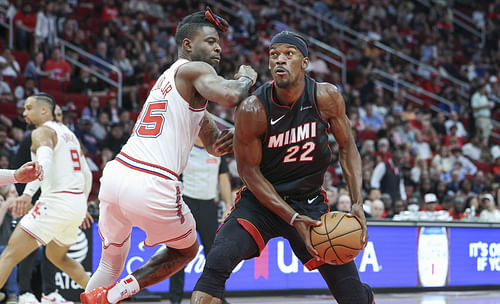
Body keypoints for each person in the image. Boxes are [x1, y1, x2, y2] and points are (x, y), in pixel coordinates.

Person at [80, 8, 257, 304]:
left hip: (116, 175)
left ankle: (98, 296)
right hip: (152, 181)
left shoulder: (171, 80)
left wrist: (222, 143)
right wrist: (246, 79)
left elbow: (211, 143)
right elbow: (230, 95)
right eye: (211, 41)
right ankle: (113, 295)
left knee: (110, 263)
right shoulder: (195, 69)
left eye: (219, 43)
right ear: (188, 45)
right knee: (185, 250)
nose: (218, 48)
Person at [191, 31, 373, 304]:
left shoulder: (325, 97)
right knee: (214, 269)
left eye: (289, 54)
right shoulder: (253, 108)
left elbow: (348, 148)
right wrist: (290, 218)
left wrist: (358, 202)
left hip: (308, 204)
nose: (280, 60)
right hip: (259, 204)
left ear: (305, 62)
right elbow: (249, 173)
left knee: (353, 297)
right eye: (274, 55)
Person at [0, 93, 92, 293]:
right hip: (76, 204)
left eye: (28, 107)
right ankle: (103, 295)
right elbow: (86, 173)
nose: (24, 112)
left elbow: (44, 160)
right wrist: (83, 203)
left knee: (9, 255)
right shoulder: (69, 134)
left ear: (43, 110)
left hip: (56, 202)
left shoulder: (42, 132)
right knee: (56, 256)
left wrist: (27, 193)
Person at [169, 137, 232, 304]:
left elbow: (224, 179)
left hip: (208, 206)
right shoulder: (183, 148)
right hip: (186, 204)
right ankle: (175, 300)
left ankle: (217, 296)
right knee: (179, 254)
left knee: (214, 255)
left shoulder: (218, 150)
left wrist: (228, 205)